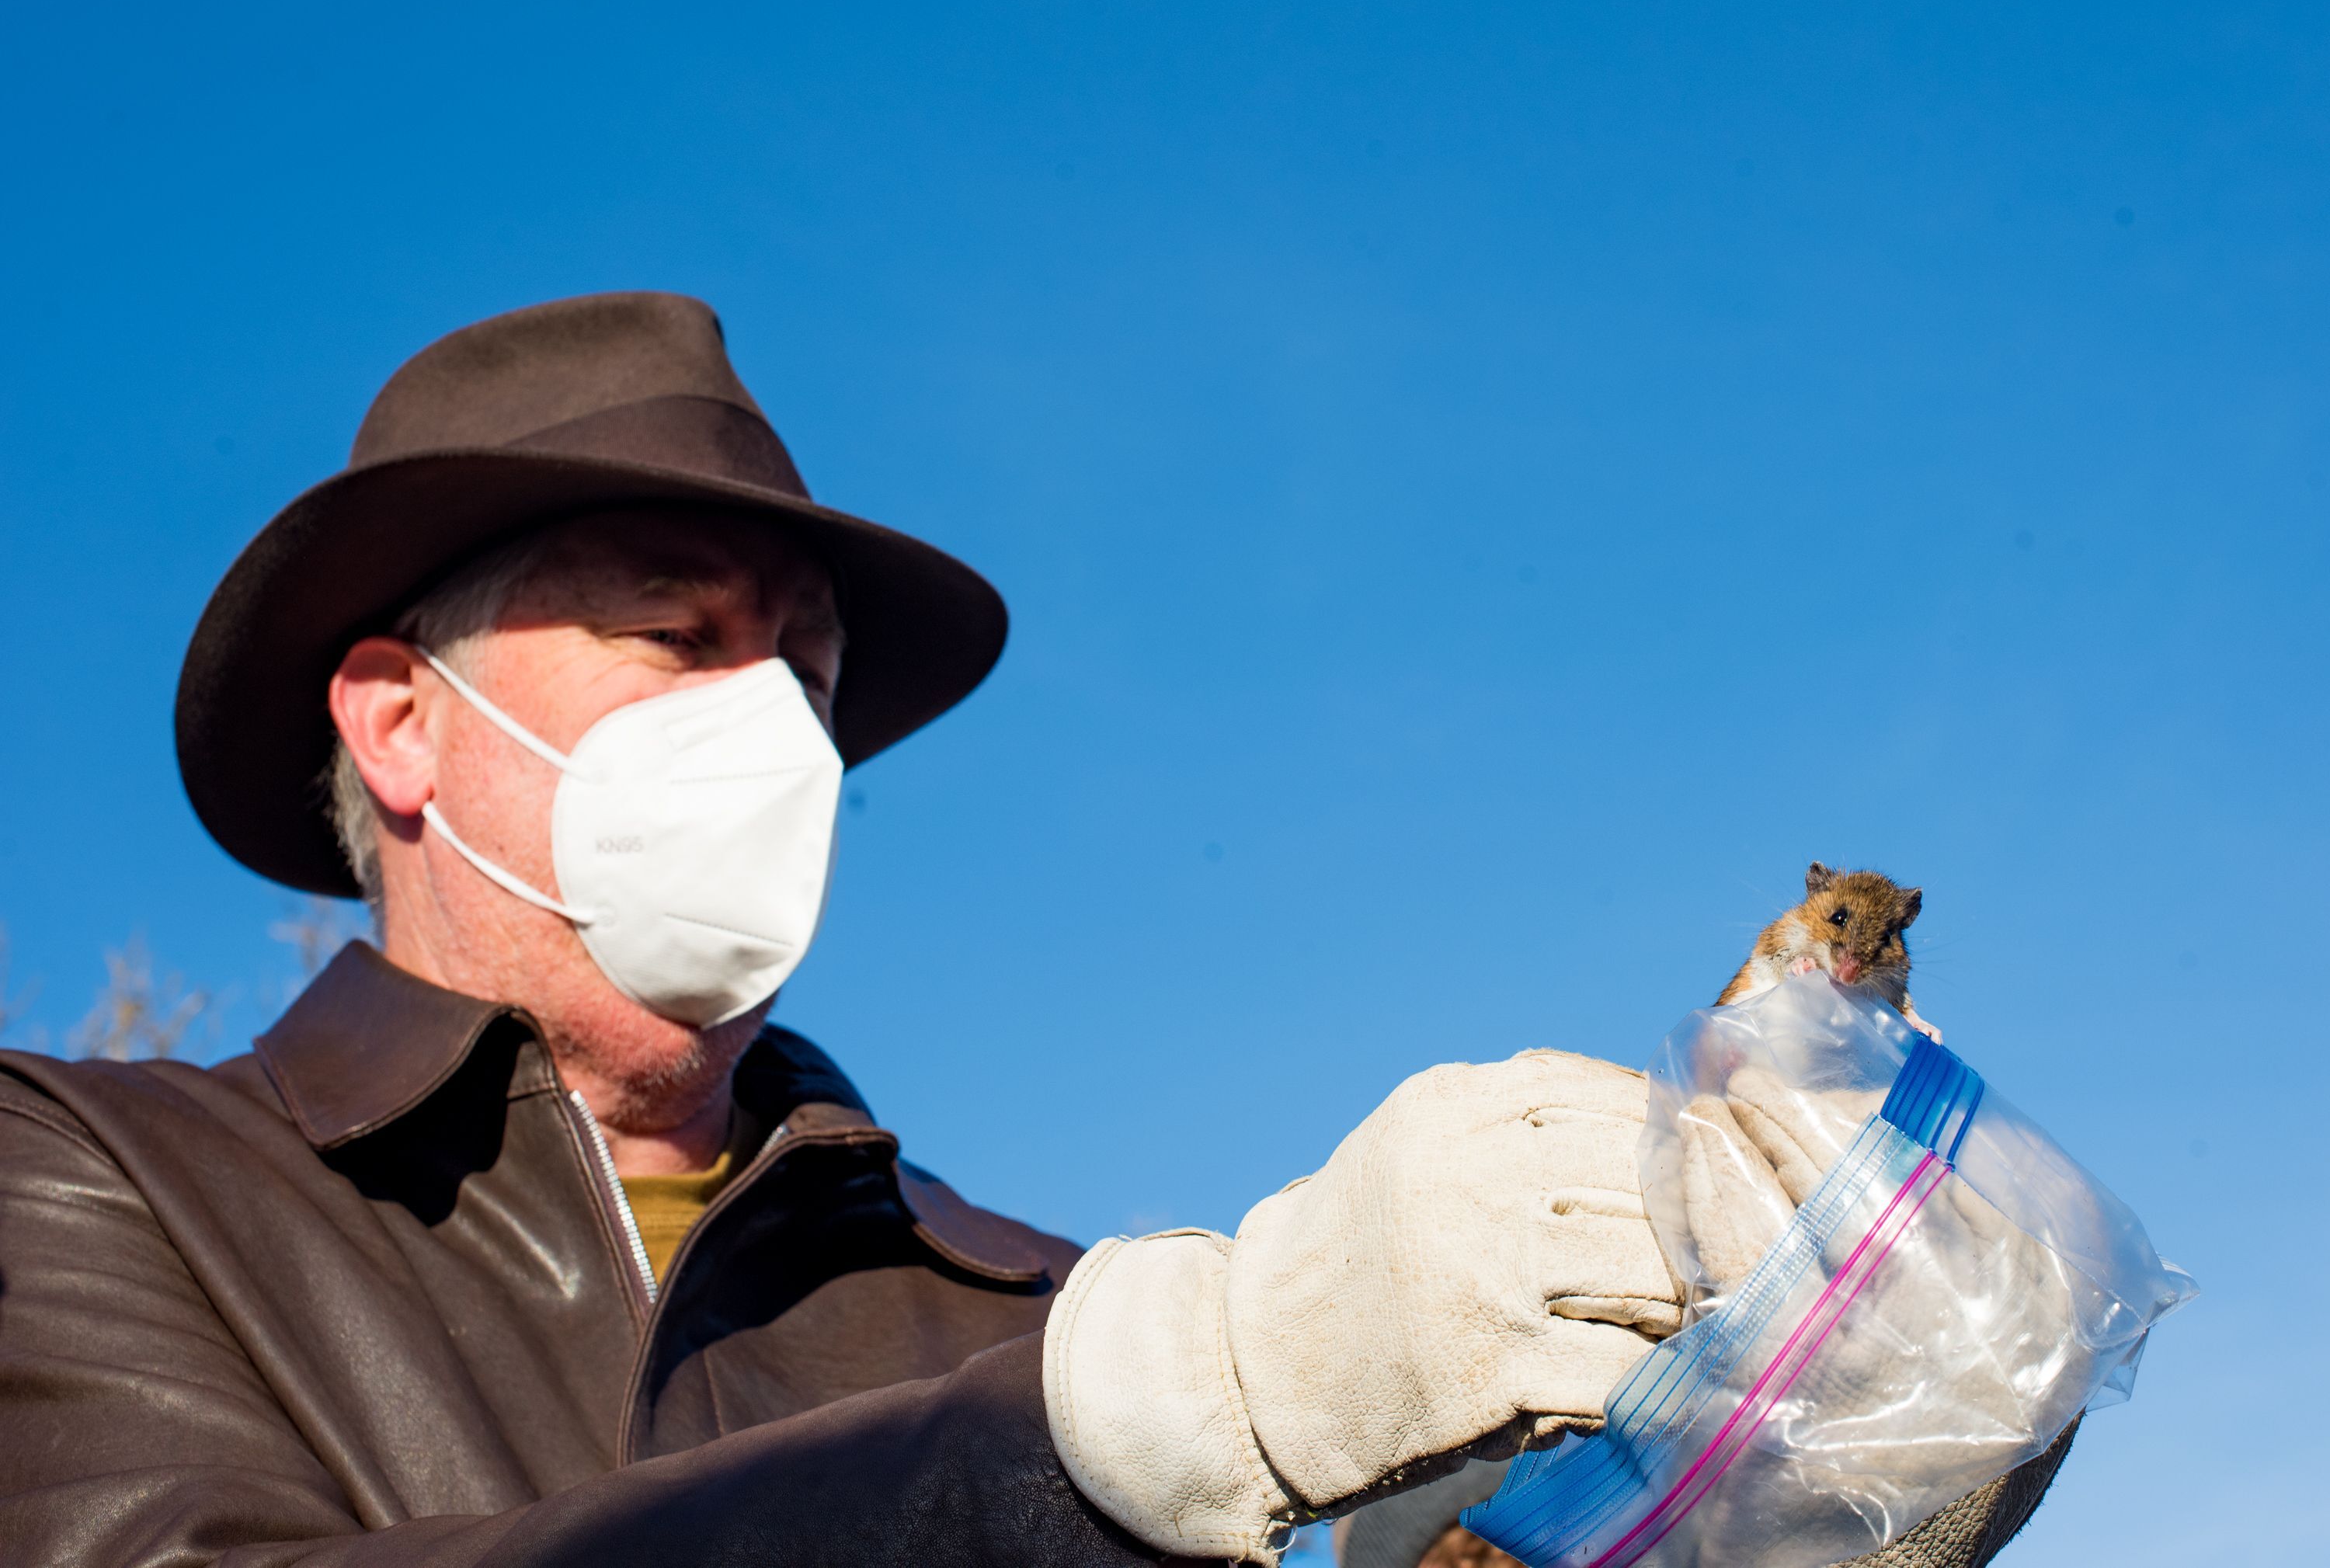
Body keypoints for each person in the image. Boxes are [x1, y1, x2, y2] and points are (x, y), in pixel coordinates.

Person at [0, 294, 2055, 1568]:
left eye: (802, 666)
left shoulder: (1030, 1303)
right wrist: (1125, 1439)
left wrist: (1760, 1462)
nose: (776, 728)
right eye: (677, 634)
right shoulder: (95, 1184)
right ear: (400, 721)